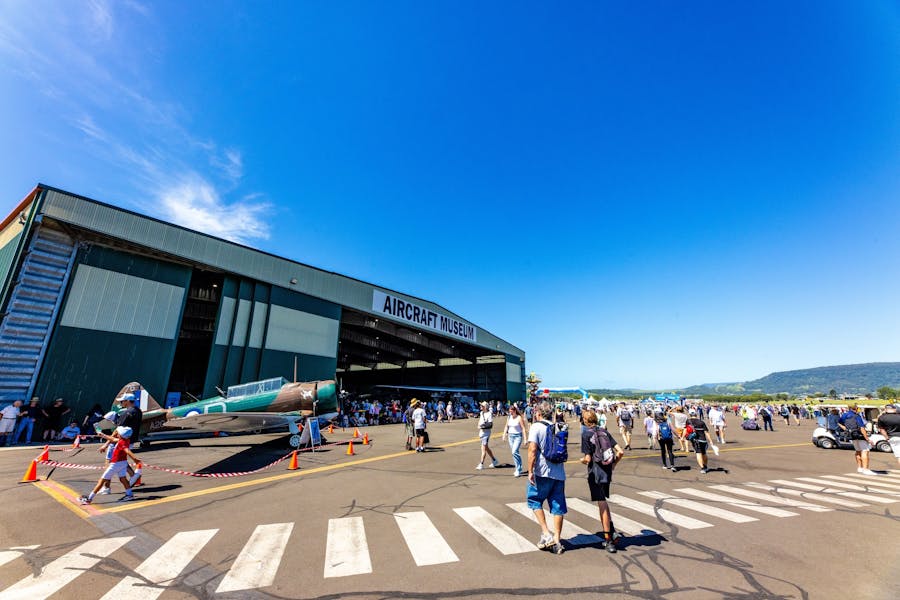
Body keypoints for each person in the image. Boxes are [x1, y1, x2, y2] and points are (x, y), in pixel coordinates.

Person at [580, 409, 624, 553]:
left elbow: (587, 458)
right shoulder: (604, 431)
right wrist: (614, 464)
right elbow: (620, 451)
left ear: (586, 421)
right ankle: (612, 531)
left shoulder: (586, 434)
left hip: (596, 472)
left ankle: (608, 539)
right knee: (603, 500)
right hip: (607, 471)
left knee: (602, 504)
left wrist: (582, 460)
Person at [527, 401, 567, 555]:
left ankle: (546, 532)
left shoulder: (536, 426)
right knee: (557, 506)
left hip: (542, 471)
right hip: (559, 472)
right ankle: (557, 540)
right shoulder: (559, 427)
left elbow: (532, 450)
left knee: (534, 500)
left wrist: (530, 470)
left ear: (538, 413)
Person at [79, 426, 139, 504]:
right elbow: (113, 439)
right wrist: (103, 435)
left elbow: (127, 451)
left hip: (115, 464)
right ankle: (129, 494)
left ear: (121, 435)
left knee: (102, 480)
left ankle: (89, 499)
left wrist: (135, 459)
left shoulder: (121, 442)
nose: (117, 433)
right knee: (123, 479)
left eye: (119, 433)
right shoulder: (126, 440)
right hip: (123, 463)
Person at [838, 404, 875, 475]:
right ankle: (865, 469)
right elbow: (862, 428)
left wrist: (846, 429)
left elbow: (839, 423)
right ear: (856, 408)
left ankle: (859, 467)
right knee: (865, 451)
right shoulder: (857, 416)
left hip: (852, 435)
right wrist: (867, 439)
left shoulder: (844, 415)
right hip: (860, 435)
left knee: (858, 451)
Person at [682, 409, 715, 473]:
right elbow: (706, 432)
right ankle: (705, 466)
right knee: (704, 453)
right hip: (703, 440)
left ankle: (702, 468)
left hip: (695, 440)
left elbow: (685, 430)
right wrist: (710, 440)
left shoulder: (688, 421)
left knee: (698, 453)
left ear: (689, 414)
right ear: (696, 414)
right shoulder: (701, 422)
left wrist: (682, 437)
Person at [502, 404, 528, 477]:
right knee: (514, 453)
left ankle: (518, 469)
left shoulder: (519, 418)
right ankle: (518, 468)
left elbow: (523, 428)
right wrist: (504, 435)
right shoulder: (509, 417)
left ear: (515, 411)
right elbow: (506, 426)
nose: (510, 413)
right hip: (510, 436)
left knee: (514, 451)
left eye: (511, 411)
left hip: (517, 436)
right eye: (509, 411)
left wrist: (525, 439)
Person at [475, 401, 499, 469]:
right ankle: (494, 460)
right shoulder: (481, 413)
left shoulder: (489, 414)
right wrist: (479, 425)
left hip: (486, 433)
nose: (481, 407)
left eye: (482, 406)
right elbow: (480, 421)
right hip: (481, 432)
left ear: (485, 407)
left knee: (483, 449)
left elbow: (490, 424)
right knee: (486, 448)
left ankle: (481, 464)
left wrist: (482, 426)